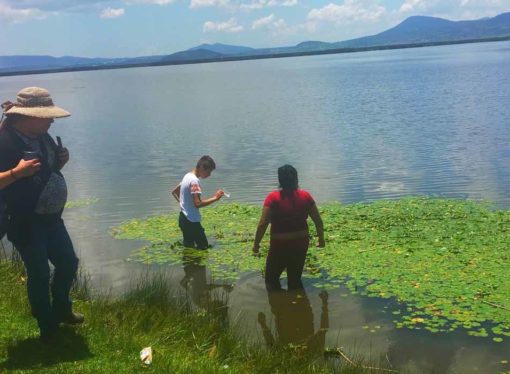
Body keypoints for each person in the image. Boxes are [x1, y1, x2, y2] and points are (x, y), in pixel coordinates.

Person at [0, 87, 83, 341]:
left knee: (69, 262)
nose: (51, 120)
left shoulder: (42, 137)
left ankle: (61, 309)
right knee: (39, 273)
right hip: (25, 221)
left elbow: (44, 171)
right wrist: (16, 173)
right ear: (30, 116)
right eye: (47, 116)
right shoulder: (4, 142)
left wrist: (60, 162)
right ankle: (47, 324)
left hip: (52, 219)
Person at [253, 164, 325, 290]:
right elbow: (318, 221)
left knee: (271, 280)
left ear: (280, 181)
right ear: (296, 179)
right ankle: (297, 303)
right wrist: (321, 239)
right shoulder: (305, 196)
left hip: (279, 245)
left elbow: (263, 223)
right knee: (295, 279)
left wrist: (256, 244)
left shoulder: (273, 198)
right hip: (300, 244)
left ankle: (281, 306)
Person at [171, 155, 224, 249]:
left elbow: (174, 192)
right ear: (202, 167)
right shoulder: (194, 181)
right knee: (204, 247)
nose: (209, 175)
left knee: (188, 248)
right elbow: (198, 204)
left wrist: (183, 205)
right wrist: (216, 198)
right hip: (192, 222)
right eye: (209, 171)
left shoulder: (187, 176)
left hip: (183, 218)